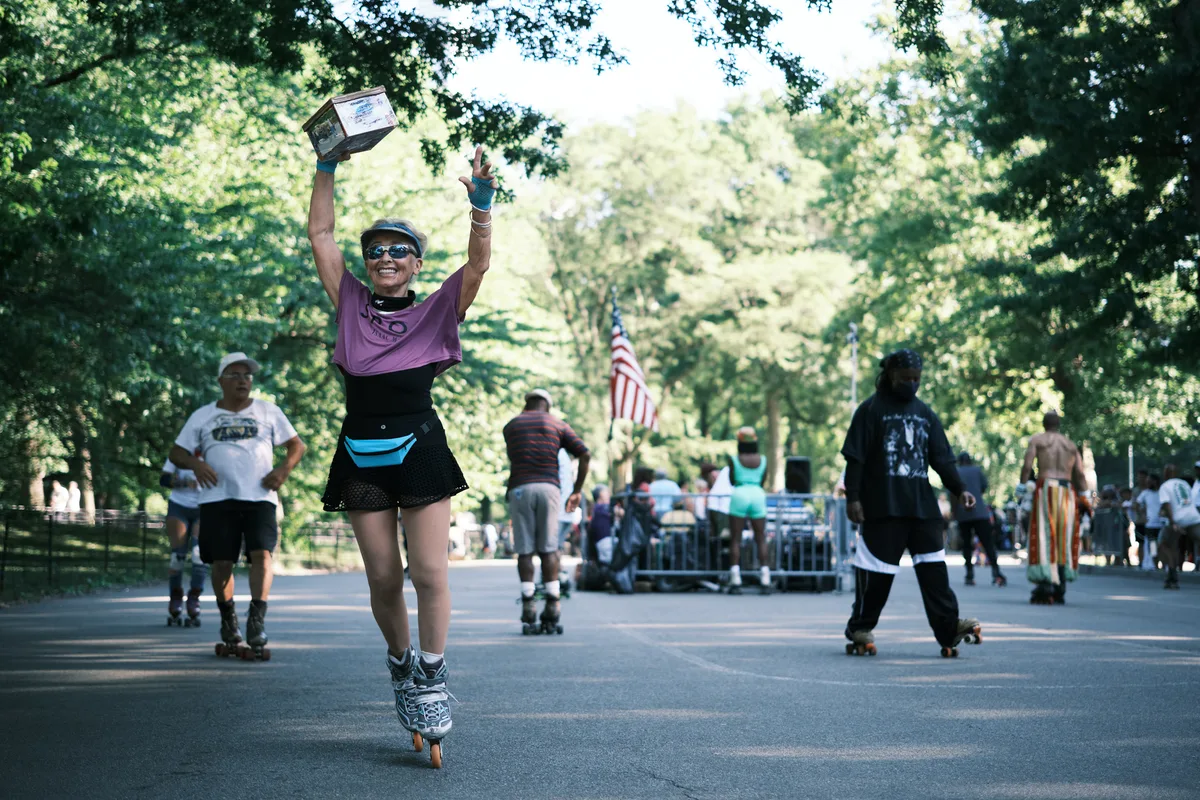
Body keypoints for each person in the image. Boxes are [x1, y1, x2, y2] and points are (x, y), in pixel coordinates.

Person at [307, 145, 496, 766]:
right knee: (384, 578)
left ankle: (434, 677)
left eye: (398, 250)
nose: (384, 258)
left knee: (431, 573)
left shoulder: (439, 309)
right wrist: (327, 164)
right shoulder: (350, 303)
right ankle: (401, 664)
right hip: (361, 450)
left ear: (416, 264)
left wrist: (481, 209)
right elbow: (321, 232)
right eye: (376, 251)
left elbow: (476, 267)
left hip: (419, 448)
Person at [841, 349, 981, 658]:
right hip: (882, 506)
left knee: (934, 572)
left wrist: (959, 490)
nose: (912, 384)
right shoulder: (870, 410)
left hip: (922, 508)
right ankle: (860, 627)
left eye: (916, 379)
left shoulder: (925, 413)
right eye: (906, 378)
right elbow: (856, 459)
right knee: (876, 574)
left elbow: (941, 458)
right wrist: (853, 498)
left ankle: (948, 629)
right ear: (891, 375)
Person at [170, 352, 306, 657]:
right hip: (217, 499)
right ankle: (228, 617)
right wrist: (195, 463)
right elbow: (175, 452)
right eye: (235, 375)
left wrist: (283, 470)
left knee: (263, 555)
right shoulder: (203, 416)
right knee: (221, 562)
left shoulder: (268, 411)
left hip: (260, 498)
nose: (243, 380)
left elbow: (297, 445)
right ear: (221, 381)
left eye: (247, 375)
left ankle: (256, 620)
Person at [502, 388, 590, 636]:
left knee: (525, 549)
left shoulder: (512, 426)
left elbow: (514, 457)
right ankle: (553, 605)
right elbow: (585, 453)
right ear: (547, 406)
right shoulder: (557, 425)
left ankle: (528, 603)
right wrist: (577, 490)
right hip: (549, 488)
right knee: (549, 548)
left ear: (526, 404)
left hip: (520, 488)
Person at [1020, 411, 1088, 604]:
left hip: (1046, 489)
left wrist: (1022, 486)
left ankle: (1046, 581)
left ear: (1044, 424)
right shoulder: (1071, 445)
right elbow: (1080, 475)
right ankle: (1061, 581)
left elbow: (1027, 466)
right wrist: (1084, 496)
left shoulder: (1038, 440)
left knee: (1043, 535)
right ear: (1059, 424)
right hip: (1067, 491)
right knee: (1063, 537)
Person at [160, 456, 209, 626]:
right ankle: (175, 597)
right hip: (179, 506)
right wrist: (184, 482)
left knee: (199, 554)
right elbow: (164, 479)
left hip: (204, 506)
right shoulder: (180, 451)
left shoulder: (213, 449)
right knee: (177, 556)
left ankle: (194, 598)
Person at [726, 427, 771, 594]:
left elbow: (732, 480)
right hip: (758, 495)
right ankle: (765, 578)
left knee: (735, 539)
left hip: (739, 494)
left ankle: (735, 579)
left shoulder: (734, 459)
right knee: (760, 538)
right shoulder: (763, 459)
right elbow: (763, 480)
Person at [954, 452, 1006, 587]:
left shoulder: (956, 471)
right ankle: (996, 572)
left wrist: (955, 513)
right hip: (979, 512)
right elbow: (984, 486)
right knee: (988, 543)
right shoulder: (977, 470)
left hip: (963, 512)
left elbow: (952, 492)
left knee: (966, 544)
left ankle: (969, 574)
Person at [1157, 464, 1200, 589]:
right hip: (1194, 517)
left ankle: (1172, 574)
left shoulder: (1164, 486)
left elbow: (1167, 504)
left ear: (1166, 474)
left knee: (1165, 544)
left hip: (1178, 518)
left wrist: (1172, 521)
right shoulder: (1184, 484)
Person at [557, 448, 584, 556]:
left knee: (554, 547)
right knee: (555, 546)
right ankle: (554, 570)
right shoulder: (562, 455)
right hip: (563, 509)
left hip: (562, 509)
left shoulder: (561, 454)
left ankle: (553, 570)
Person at [1138, 474, 1163, 572]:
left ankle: (1164, 564)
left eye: (1149, 481)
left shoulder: (1162, 492)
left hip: (1162, 524)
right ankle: (1155, 565)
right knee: (1153, 545)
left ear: (1155, 481)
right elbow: (1137, 504)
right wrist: (1143, 516)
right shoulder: (1145, 493)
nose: (1147, 483)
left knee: (1162, 544)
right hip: (1150, 525)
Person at [589, 485, 614, 566]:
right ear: (601, 495)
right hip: (605, 542)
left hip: (606, 542)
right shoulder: (600, 507)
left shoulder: (599, 508)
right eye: (606, 492)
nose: (609, 494)